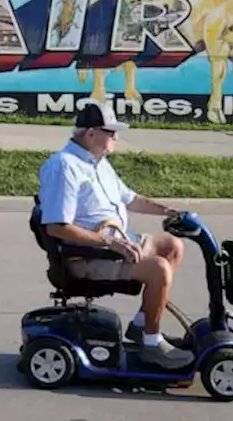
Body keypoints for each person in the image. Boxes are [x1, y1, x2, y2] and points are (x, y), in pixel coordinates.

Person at [37, 99, 195, 369]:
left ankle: (142, 325)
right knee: (158, 269)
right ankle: (152, 344)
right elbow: (57, 227)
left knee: (172, 246)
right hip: (87, 256)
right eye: (111, 132)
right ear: (91, 134)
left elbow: (130, 199)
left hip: (114, 245)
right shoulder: (65, 166)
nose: (117, 137)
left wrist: (170, 212)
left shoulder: (97, 162)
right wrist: (111, 243)